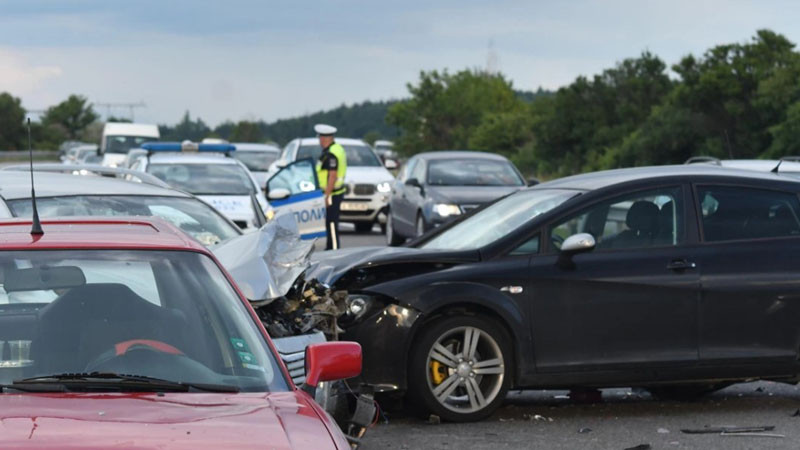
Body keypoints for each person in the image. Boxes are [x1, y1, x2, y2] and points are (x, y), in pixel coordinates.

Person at [314, 124, 347, 250]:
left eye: (320, 138)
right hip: (335, 192)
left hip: (332, 193)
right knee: (329, 223)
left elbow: (332, 176)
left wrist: (327, 195)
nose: (320, 141)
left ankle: (333, 250)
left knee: (332, 224)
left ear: (325, 139)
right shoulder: (336, 149)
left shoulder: (331, 154)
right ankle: (330, 248)